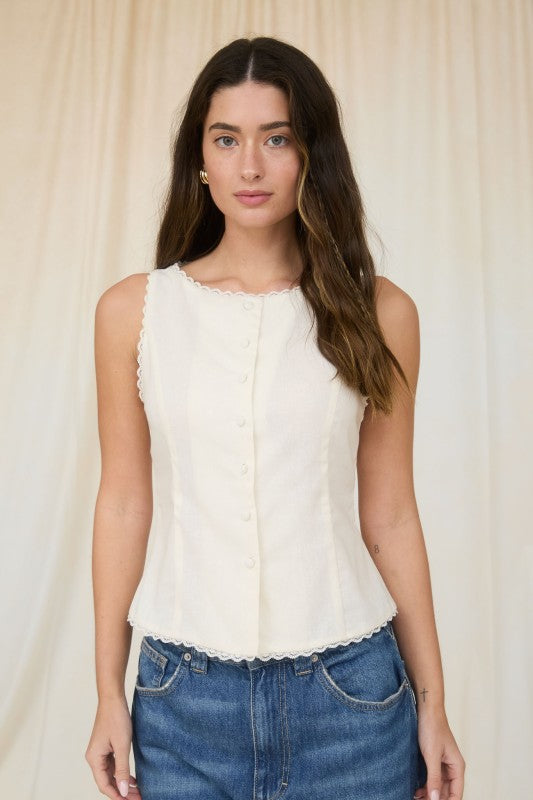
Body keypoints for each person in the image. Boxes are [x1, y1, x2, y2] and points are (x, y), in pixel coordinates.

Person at [85, 35, 465, 800]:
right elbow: (124, 502)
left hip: (351, 700)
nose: (250, 166)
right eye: (226, 139)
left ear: (312, 155)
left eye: (277, 139)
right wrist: (106, 695)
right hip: (181, 705)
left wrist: (434, 705)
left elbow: (390, 513)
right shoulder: (135, 312)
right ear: (199, 158)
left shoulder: (381, 312)